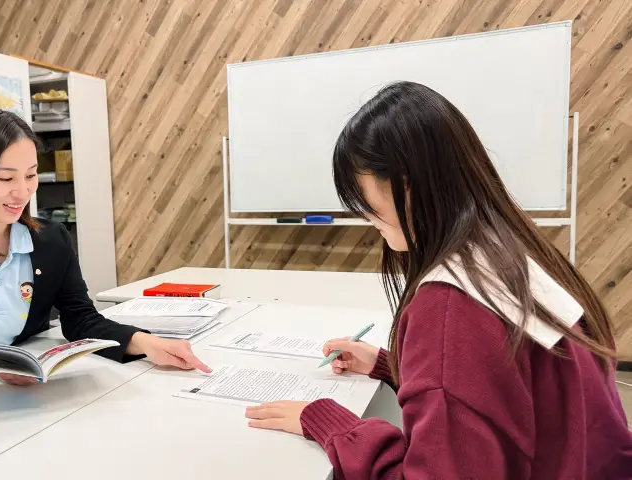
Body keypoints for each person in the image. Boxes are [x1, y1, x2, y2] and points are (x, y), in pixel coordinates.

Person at [244, 82, 632, 478]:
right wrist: (393, 366)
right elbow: (502, 387)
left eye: (362, 197)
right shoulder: (513, 252)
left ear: (407, 184)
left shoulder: (448, 308)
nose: (363, 215)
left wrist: (334, 426)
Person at [0, 107, 210, 387]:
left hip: (22, 401)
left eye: (31, 175)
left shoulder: (50, 240)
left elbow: (82, 320)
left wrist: (147, 343)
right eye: (6, 178)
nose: (23, 192)